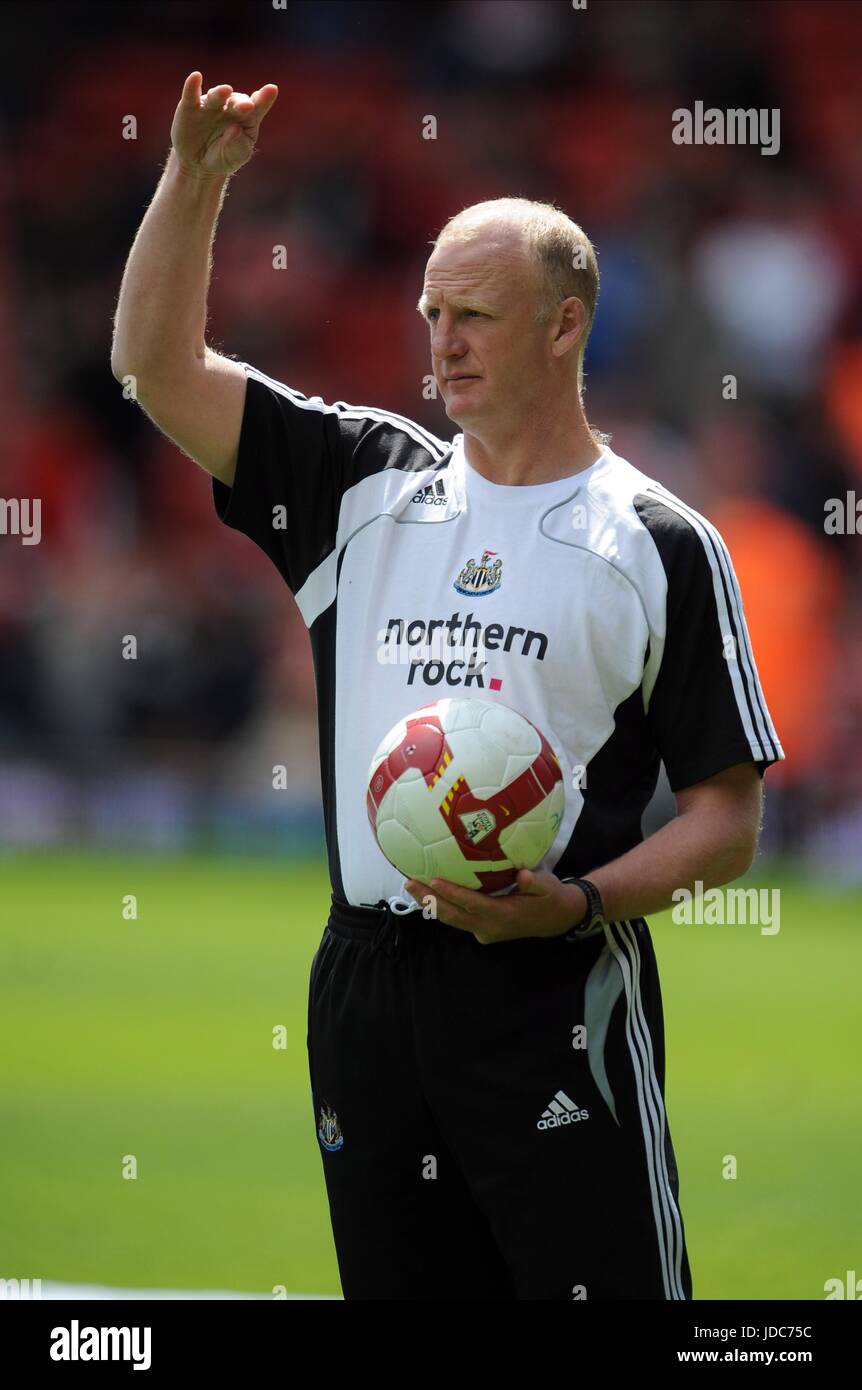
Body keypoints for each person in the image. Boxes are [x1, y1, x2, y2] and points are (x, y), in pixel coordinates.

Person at [111, 72, 784, 1300]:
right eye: (431, 312)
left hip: (551, 988)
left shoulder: (656, 540)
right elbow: (154, 369)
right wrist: (194, 179)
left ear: (565, 326)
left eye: (474, 313)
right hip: (364, 985)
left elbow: (727, 822)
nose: (443, 342)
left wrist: (576, 904)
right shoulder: (361, 482)